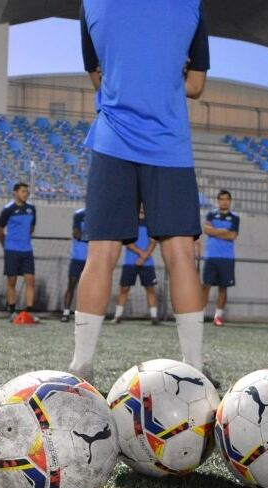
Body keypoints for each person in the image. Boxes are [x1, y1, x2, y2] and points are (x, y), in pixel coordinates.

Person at [68, 0, 213, 386]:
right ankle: (195, 367)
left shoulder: (92, 4)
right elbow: (196, 86)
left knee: (100, 254)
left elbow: (97, 77)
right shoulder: (191, 6)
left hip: (113, 141)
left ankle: (81, 367)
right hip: (169, 144)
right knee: (180, 254)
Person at [112, 209, 159, 325]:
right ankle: (117, 316)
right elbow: (127, 241)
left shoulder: (151, 221)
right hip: (129, 262)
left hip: (147, 263)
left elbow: (153, 242)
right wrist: (141, 254)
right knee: (124, 288)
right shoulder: (130, 221)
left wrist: (144, 257)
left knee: (150, 289)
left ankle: (154, 317)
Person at [0, 182, 37, 320]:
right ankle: (12, 310)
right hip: (11, 250)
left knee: (30, 280)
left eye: (27, 191)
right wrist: (6, 245)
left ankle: (29, 311)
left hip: (27, 250)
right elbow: (0, 230)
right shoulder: (8, 209)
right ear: (15, 193)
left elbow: (31, 228)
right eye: (23, 191)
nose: (25, 194)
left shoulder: (32, 209)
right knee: (12, 281)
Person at [202, 190, 239, 326]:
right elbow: (206, 230)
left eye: (227, 199)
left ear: (230, 201)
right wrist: (223, 231)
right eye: (222, 199)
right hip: (211, 255)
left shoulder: (235, 217)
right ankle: (200, 314)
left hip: (227, 258)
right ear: (218, 201)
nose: (224, 201)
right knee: (206, 286)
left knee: (223, 287)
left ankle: (218, 317)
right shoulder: (211, 214)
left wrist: (214, 232)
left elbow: (232, 236)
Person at [62, 208, 87, 322]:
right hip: (77, 257)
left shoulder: (99, 214)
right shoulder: (79, 214)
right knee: (71, 285)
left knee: (89, 288)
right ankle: (66, 312)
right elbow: (77, 234)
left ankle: (86, 314)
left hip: (92, 259)